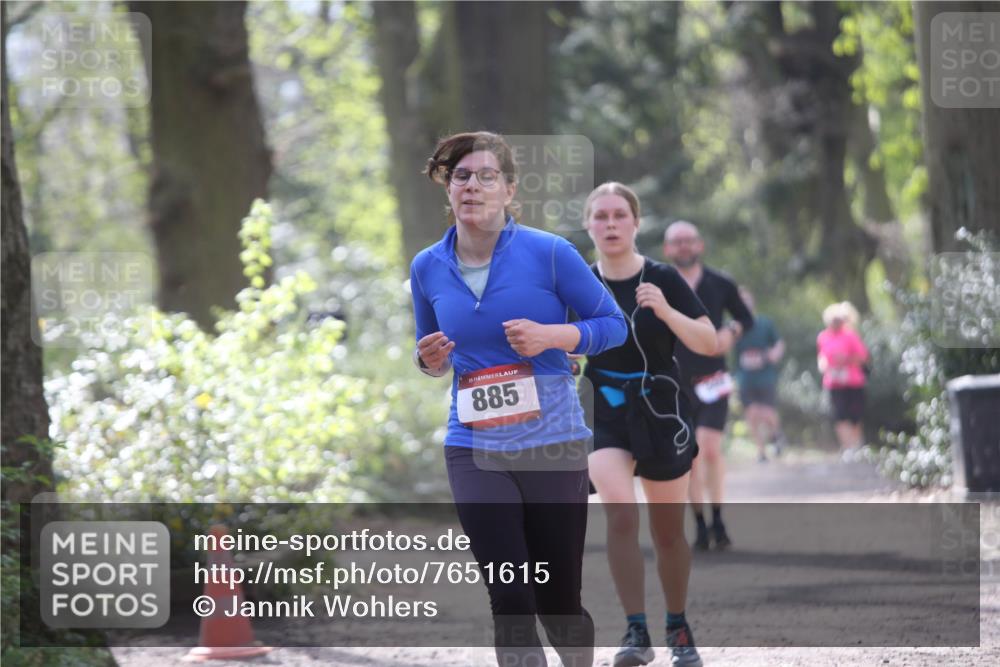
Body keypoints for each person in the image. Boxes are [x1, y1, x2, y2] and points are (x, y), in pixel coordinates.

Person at [410, 131, 627, 667]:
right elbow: (429, 354)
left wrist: (554, 336)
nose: (473, 186)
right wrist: (430, 361)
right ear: (448, 188)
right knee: (509, 596)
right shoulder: (427, 266)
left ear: (509, 191)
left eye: (487, 177)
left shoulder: (550, 253)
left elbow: (614, 325)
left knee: (557, 602)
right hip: (474, 445)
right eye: (461, 176)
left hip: (552, 442)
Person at [580, 183, 715, 667]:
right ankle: (635, 630)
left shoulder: (663, 276)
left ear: (636, 223)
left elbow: (708, 341)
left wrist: (665, 308)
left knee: (668, 534)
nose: (611, 224)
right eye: (601, 216)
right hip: (606, 410)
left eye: (620, 215)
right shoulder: (578, 280)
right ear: (588, 224)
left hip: (661, 409)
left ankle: (677, 624)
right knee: (620, 513)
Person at [663, 221, 754, 551]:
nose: (683, 246)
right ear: (667, 249)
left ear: (699, 245)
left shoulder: (720, 282)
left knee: (710, 448)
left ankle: (718, 517)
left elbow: (745, 317)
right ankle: (700, 523)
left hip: (713, 378)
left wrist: (731, 332)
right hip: (673, 384)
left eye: (689, 240)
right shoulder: (659, 284)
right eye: (677, 242)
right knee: (690, 457)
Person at [733, 287, 786, 463]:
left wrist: (773, 355)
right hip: (745, 377)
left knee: (768, 412)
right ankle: (761, 452)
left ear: (753, 302)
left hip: (765, 376)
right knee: (751, 413)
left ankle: (776, 435)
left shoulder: (765, 323)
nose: (745, 304)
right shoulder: (734, 327)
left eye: (747, 300)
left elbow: (779, 343)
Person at [817, 301, 869, 455]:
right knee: (839, 416)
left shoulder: (850, 336)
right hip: (834, 383)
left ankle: (857, 445)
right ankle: (847, 447)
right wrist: (825, 365)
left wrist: (845, 359)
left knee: (854, 416)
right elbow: (822, 357)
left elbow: (863, 358)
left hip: (853, 382)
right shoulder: (823, 337)